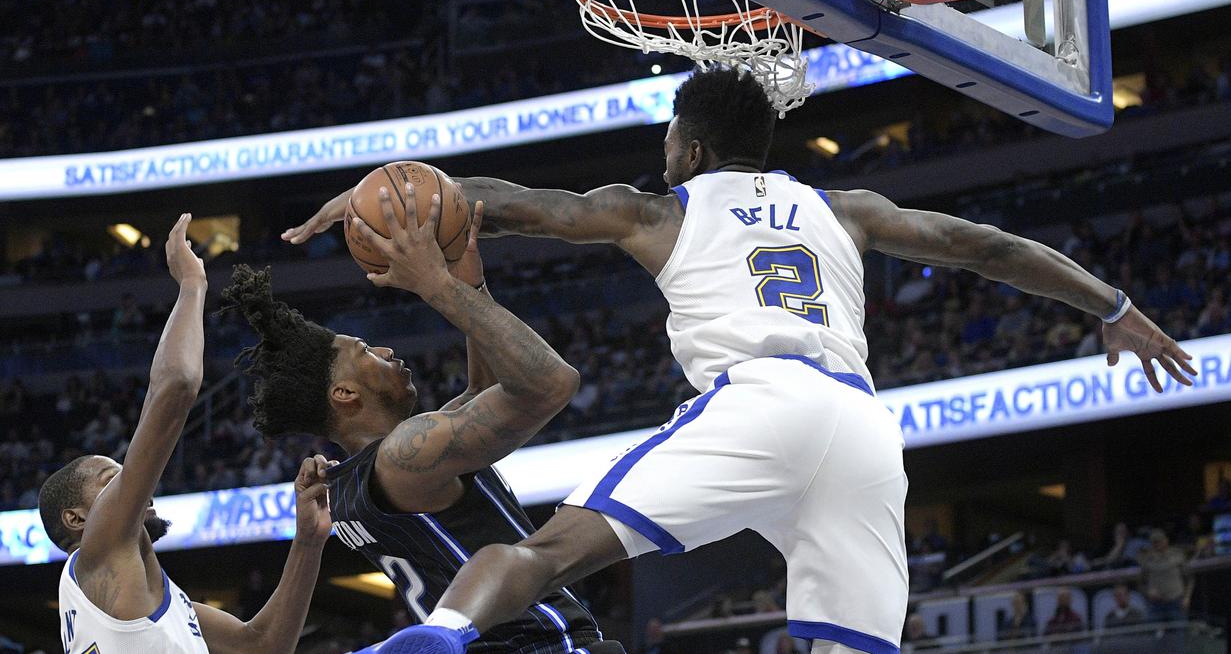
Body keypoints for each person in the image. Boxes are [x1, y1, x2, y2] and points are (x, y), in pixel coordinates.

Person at [286, 67, 1196, 654]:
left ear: (691, 148)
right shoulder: (850, 207)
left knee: (546, 552)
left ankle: (437, 639)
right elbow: (985, 246)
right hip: (864, 429)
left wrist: (387, 199)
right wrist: (1112, 306)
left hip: (758, 403)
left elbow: (504, 204)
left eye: (669, 141)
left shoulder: (656, 211)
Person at [229, 195, 623, 652]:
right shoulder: (403, 455)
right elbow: (551, 382)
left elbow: (481, 394)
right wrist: (437, 286)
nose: (389, 352)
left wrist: (470, 289)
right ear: (345, 394)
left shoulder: (357, 480)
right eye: (368, 352)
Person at [37, 215, 332, 654]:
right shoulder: (98, 549)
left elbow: (265, 646)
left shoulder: (165, 601)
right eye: (109, 480)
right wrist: (192, 285)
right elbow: (175, 387)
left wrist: (308, 541)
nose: (133, 483)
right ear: (78, 519)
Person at [1137, 529, 1192, 622]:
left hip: (1176, 601)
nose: (1158, 544)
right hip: (1156, 604)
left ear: (1166, 540)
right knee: (1154, 634)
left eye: (1159, 541)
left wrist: (1187, 597)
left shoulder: (1177, 555)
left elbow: (1189, 579)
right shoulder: (1147, 559)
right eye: (1154, 542)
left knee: (1179, 634)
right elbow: (1140, 583)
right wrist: (1148, 592)